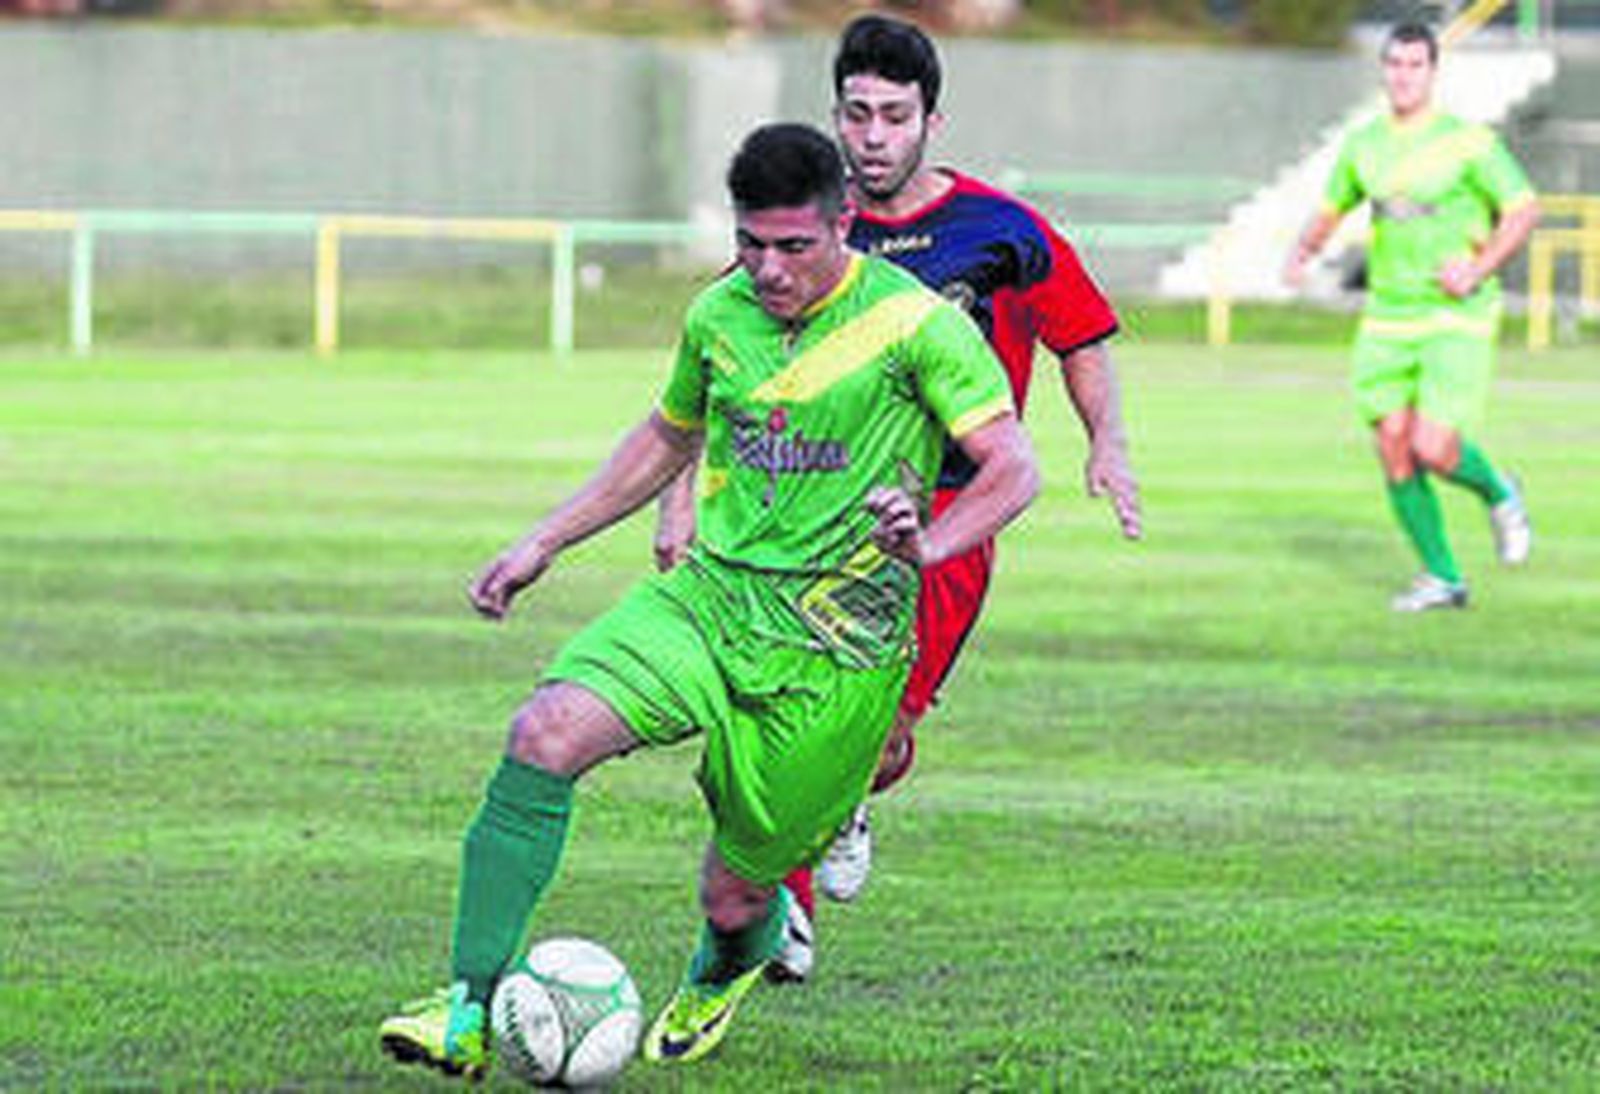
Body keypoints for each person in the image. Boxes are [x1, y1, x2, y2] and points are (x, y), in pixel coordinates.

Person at [378, 121, 1039, 1078]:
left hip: (836, 652)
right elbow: (666, 435)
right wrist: (545, 540)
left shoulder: (919, 324)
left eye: (793, 247)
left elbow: (1014, 467)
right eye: (750, 244)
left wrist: (928, 544)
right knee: (544, 733)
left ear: (843, 225)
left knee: (735, 895)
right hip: (711, 599)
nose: (768, 270)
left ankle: (734, 953)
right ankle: (467, 1009)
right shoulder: (718, 315)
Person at [654, 13, 1139, 982]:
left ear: (931, 121)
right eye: (857, 114)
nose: (873, 136)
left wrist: (1108, 442)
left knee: (876, 742)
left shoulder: (1003, 230)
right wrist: (678, 500)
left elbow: (1080, 335)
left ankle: (843, 805)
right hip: (807, 519)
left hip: (949, 522)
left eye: (893, 116)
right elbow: (718, 363)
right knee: (784, 714)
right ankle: (783, 908)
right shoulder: (806, 231)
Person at [1286, 21, 1538, 612]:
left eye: (1414, 65)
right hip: (1387, 316)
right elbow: (1333, 205)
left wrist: (1478, 268)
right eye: (1394, 64)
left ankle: (1500, 490)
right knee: (1394, 447)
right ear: (1384, 70)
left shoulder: (1468, 141)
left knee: (1433, 446)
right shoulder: (1364, 143)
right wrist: (1302, 251)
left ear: (1432, 71)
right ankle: (1443, 577)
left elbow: (1523, 209)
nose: (1402, 75)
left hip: (1454, 315)